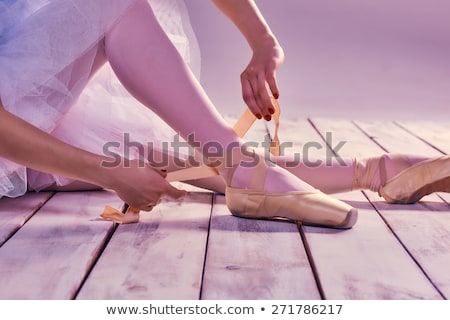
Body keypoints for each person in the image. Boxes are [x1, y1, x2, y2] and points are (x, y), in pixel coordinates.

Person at [0, 0, 448, 230]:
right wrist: (104, 172)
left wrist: (263, 42)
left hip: (23, 96)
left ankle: (377, 173)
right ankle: (244, 165)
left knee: (176, 157)